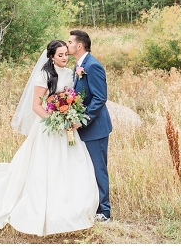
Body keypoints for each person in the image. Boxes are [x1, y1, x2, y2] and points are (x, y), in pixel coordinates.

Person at [0, 40, 99, 236]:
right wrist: (54, 120)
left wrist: (69, 116)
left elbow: (72, 98)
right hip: (48, 127)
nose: (64, 57)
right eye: (60, 55)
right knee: (44, 166)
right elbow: (36, 105)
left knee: (72, 163)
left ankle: (72, 206)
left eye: (65, 54)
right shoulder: (44, 75)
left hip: (66, 126)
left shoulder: (70, 74)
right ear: (51, 56)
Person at [67, 30, 113, 222]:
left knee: (98, 168)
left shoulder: (92, 65)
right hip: (84, 127)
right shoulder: (79, 65)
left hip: (96, 128)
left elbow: (100, 97)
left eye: (70, 42)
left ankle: (104, 211)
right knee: (86, 168)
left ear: (80, 46)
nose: (66, 44)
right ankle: (91, 205)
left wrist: (82, 119)